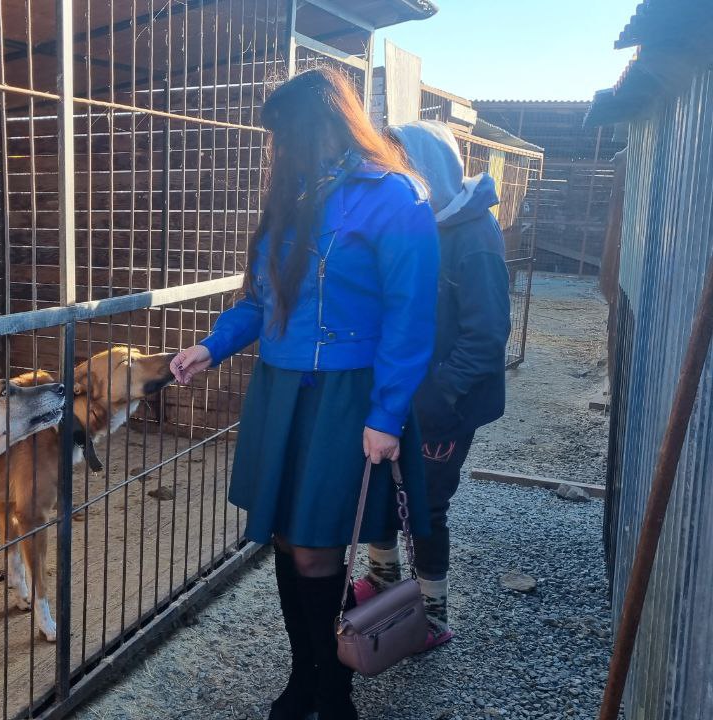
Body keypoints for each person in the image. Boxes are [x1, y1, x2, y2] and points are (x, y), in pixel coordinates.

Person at [169, 68, 439, 720]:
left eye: (281, 136)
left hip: (347, 399)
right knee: (289, 542)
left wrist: (386, 414)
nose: (274, 151)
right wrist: (212, 345)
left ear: (315, 126)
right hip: (279, 393)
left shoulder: (396, 197)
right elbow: (264, 303)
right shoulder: (291, 198)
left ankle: (334, 691)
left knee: (320, 548)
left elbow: (411, 317)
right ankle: (306, 676)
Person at [352, 120, 511, 649]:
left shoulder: (473, 235)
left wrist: (439, 397)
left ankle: (434, 612)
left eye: (399, 162)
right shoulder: (415, 221)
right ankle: (383, 581)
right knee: (378, 485)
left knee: (426, 502)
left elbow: (486, 335)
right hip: (401, 392)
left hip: (445, 403)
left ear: (427, 168)